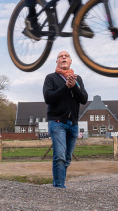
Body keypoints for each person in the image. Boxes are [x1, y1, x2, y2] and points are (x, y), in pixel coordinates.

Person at [43, 50, 88, 188]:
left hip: (73, 124)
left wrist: (73, 86)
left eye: (66, 56)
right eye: (60, 56)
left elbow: (84, 99)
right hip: (57, 123)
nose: (63, 57)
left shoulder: (77, 79)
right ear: (57, 62)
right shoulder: (51, 78)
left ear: (70, 61)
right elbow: (48, 98)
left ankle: (58, 183)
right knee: (60, 156)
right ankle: (59, 187)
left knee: (67, 159)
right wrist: (65, 87)